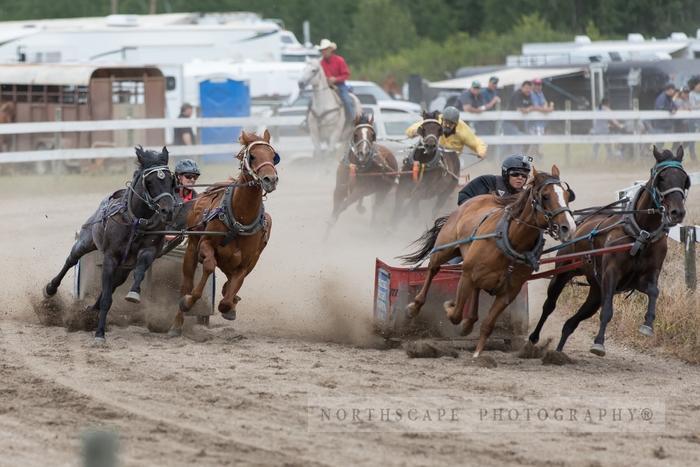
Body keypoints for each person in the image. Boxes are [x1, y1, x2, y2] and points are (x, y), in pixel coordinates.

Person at [405, 106, 487, 161]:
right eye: (446, 122)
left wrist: (481, 152)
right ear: (442, 119)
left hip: (452, 160)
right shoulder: (435, 121)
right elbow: (411, 129)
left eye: (450, 123)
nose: (447, 125)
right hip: (432, 155)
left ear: (456, 124)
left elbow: (477, 143)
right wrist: (415, 132)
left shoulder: (463, 130)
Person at [457, 155, 531, 205]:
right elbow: (463, 197)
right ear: (506, 174)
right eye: (515, 174)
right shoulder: (487, 182)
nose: (520, 177)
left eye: (524, 175)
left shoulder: (526, 197)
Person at [317, 38, 354, 122]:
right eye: (322, 50)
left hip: (340, 85)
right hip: (326, 87)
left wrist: (335, 79)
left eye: (325, 50)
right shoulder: (320, 63)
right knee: (314, 100)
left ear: (330, 50)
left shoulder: (339, 60)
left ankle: (353, 120)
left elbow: (346, 74)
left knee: (346, 100)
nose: (323, 52)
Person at [504, 81, 534, 155]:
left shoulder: (529, 95)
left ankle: (521, 158)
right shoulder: (517, 94)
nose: (528, 90)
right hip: (509, 123)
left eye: (529, 88)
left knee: (528, 139)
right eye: (526, 88)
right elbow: (520, 109)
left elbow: (532, 106)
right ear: (522, 88)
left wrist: (528, 109)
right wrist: (527, 109)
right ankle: (517, 161)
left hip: (519, 124)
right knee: (517, 141)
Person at [673, 86, 696, 159]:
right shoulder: (677, 100)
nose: (686, 94)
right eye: (685, 92)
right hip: (678, 124)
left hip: (686, 123)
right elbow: (678, 109)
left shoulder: (687, 100)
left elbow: (691, 107)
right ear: (681, 93)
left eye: (687, 92)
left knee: (687, 140)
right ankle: (674, 153)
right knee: (677, 140)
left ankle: (677, 153)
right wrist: (686, 109)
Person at [653, 83, 678, 149]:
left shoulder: (669, 98)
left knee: (662, 142)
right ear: (669, 90)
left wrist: (674, 108)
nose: (674, 91)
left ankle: (659, 156)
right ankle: (656, 156)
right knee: (659, 142)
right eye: (673, 90)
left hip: (665, 124)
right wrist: (671, 109)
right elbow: (660, 107)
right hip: (660, 124)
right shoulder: (662, 97)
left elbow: (675, 106)